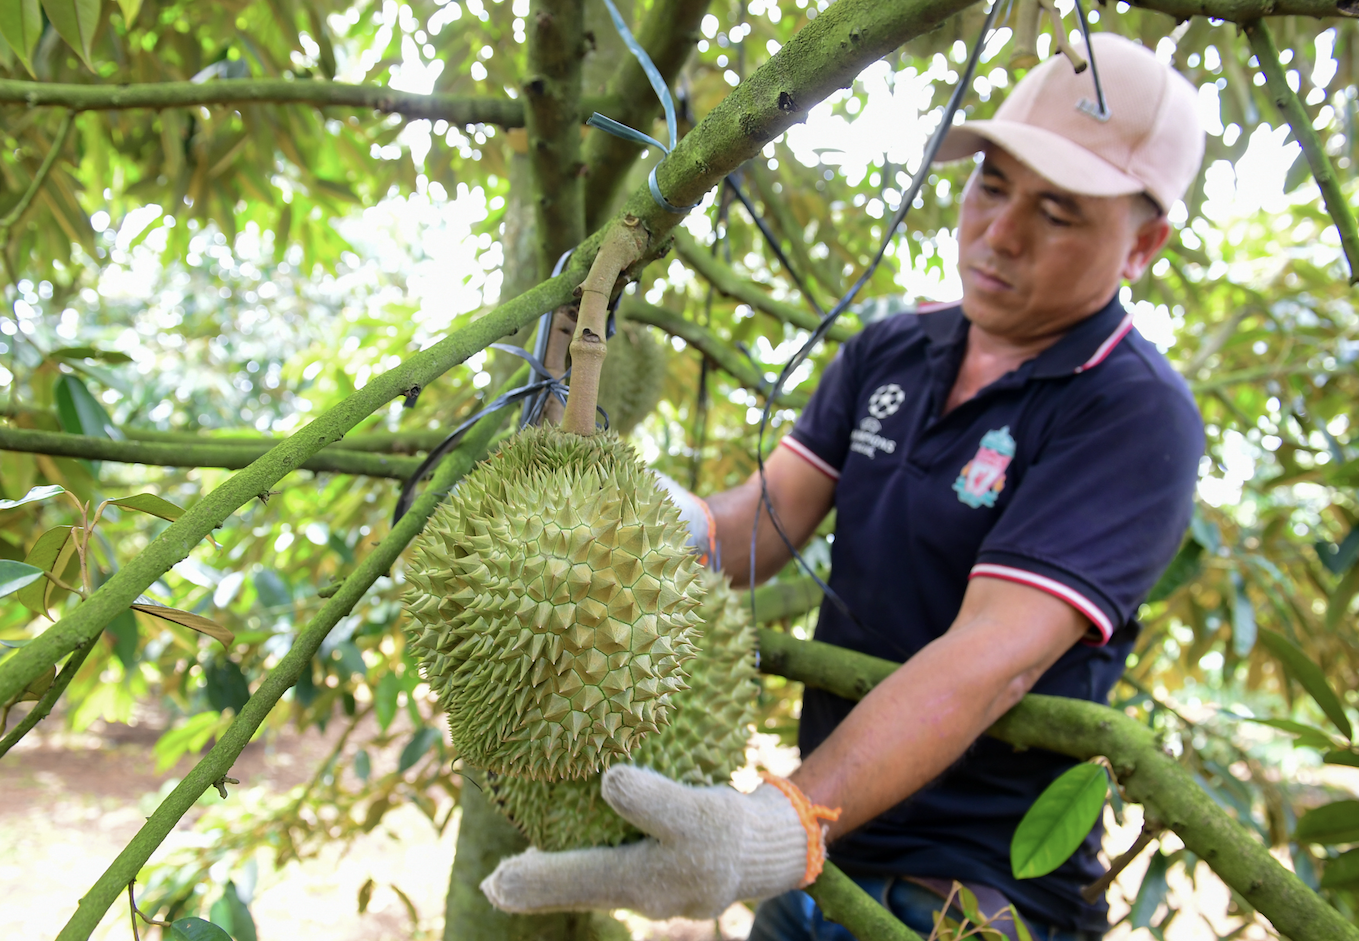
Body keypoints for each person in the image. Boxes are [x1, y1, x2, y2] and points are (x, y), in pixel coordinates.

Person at [481, 32, 1207, 941]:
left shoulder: (1132, 411)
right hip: (830, 854)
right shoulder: (890, 350)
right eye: (990, 186)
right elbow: (757, 526)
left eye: (1058, 214)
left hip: (974, 887)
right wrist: (634, 517)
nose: (1000, 234)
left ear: (1143, 244)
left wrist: (782, 824)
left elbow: (992, 656)